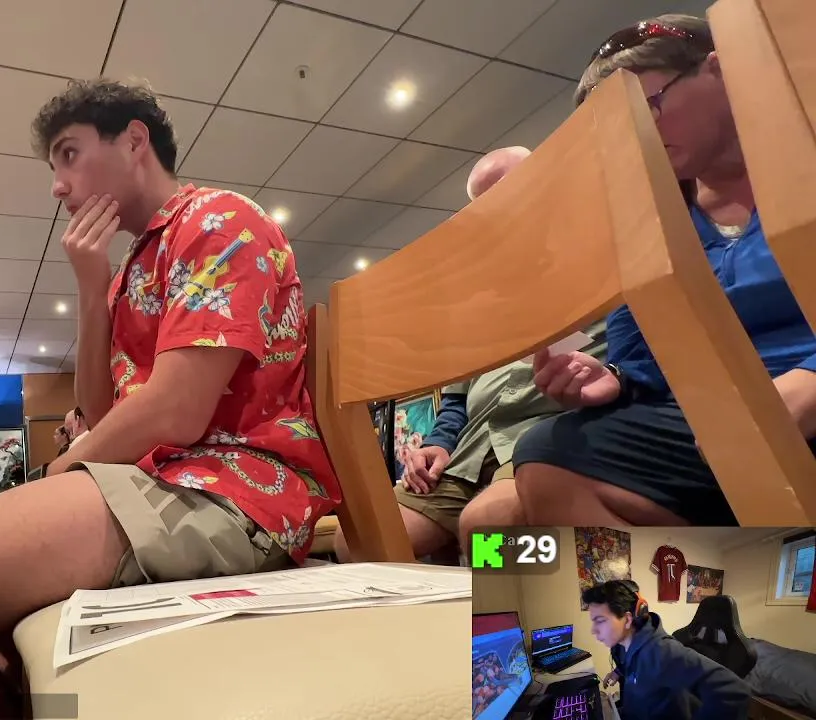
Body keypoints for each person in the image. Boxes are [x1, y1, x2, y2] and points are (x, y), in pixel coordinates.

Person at [0, 78, 338, 716]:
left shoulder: (218, 219)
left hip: (232, 492)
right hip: (158, 482)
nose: (58, 185)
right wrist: (92, 288)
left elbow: (177, 409)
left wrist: (59, 468)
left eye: (69, 154)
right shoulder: (134, 264)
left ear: (134, 140)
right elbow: (102, 413)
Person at [512, 14, 816, 526]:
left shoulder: (803, 156)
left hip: (795, 395)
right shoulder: (649, 218)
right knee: (544, 462)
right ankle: (708, 575)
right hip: (715, 425)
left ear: (718, 69)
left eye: (651, 105)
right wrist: (616, 377)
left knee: (510, 531)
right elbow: (641, 351)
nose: (639, 136)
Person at [332, 146, 606, 563]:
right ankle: (468, 592)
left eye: (510, 191)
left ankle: (517, 600)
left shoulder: (597, 261)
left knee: (487, 531)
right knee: (358, 542)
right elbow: (455, 402)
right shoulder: (477, 301)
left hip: (550, 434)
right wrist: (438, 444)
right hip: (471, 451)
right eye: (486, 205)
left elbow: (631, 362)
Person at [583, 580, 748, 720]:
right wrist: (618, 672)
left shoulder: (663, 653)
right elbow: (630, 663)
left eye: (600, 620)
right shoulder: (622, 646)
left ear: (627, 620)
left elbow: (734, 692)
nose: (593, 630)